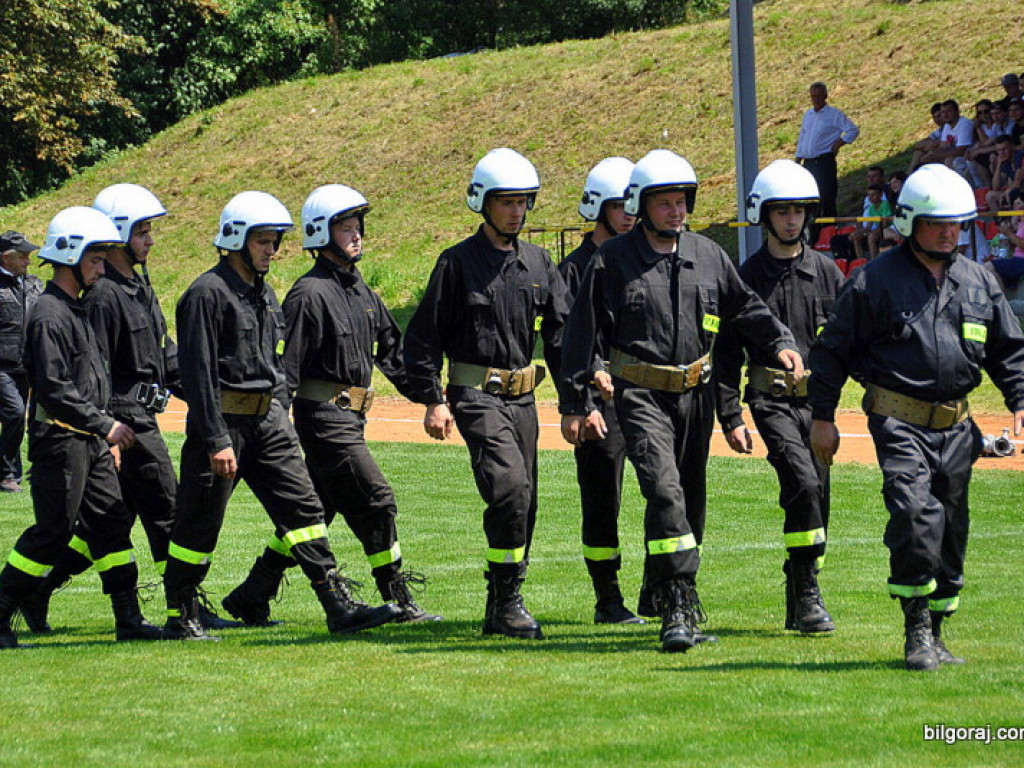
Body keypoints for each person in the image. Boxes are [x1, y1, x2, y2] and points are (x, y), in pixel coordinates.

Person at [558, 149, 804, 653]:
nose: (676, 211)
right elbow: (581, 335)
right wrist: (580, 398)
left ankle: (664, 594)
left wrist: (778, 341)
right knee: (664, 492)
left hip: (697, 398)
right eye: (665, 203)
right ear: (642, 205)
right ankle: (677, 604)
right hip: (641, 396)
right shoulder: (611, 261)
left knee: (690, 502)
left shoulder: (708, 255)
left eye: (682, 202)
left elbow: (746, 308)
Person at [809, 164, 1024, 671]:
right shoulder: (873, 282)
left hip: (958, 429)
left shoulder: (979, 280)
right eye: (937, 224)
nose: (949, 232)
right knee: (914, 516)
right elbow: (833, 350)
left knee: (951, 530)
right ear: (909, 224)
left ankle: (940, 627)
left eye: (956, 223)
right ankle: (916, 630)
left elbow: (1009, 352)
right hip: (898, 422)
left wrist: (1019, 398)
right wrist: (822, 417)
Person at [162, 190, 400, 641]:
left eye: (275, 241)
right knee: (200, 521)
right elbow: (197, 375)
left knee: (305, 507)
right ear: (235, 239)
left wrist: (278, 416)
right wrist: (216, 439)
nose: (272, 250)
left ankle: (336, 604)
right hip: (224, 423)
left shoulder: (264, 292)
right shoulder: (205, 294)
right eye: (263, 241)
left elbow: (274, 364)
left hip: (267, 421)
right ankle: (182, 613)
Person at [223, 185, 441, 625]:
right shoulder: (308, 295)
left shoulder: (362, 291)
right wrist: (277, 429)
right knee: (377, 499)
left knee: (315, 513)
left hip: (352, 419)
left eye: (358, 225)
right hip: (324, 423)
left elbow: (392, 354)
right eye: (346, 226)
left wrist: (433, 398)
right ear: (322, 233)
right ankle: (398, 597)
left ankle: (252, 594)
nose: (357, 234)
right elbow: (286, 369)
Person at [404, 148, 568, 640]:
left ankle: (502, 602)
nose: (517, 212)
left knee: (526, 502)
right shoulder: (456, 264)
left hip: (524, 401)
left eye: (524, 202)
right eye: (507, 202)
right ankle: (509, 601)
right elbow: (423, 338)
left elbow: (561, 335)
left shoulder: (539, 262)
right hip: (476, 396)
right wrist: (433, 399)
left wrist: (581, 395)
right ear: (482, 203)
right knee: (509, 489)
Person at [0, 207, 164, 648]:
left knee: (112, 525)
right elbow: (54, 389)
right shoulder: (50, 315)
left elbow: (95, 380)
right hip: (60, 440)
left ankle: (128, 617)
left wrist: (101, 431)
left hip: (88, 440)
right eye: (94, 260)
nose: (101, 268)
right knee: (53, 531)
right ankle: (2, 607)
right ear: (70, 257)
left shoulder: (78, 311)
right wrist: (106, 426)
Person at [715, 159, 844, 634]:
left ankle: (799, 585)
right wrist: (730, 415)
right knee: (803, 482)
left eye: (799, 211)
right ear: (763, 215)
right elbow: (726, 353)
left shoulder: (830, 274)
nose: (792, 219)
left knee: (818, 497)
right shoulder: (744, 278)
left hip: (819, 405)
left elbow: (852, 341)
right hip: (769, 400)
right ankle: (809, 594)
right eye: (782, 211)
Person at [558, 157, 643, 625]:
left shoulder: (643, 258)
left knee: (668, 494)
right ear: (598, 208)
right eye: (619, 205)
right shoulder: (573, 270)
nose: (629, 213)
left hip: (647, 396)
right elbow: (567, 343)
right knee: (602, 499)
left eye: (634, 203)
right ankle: (607, 598)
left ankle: (660, 592)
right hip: (600, 403)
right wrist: (585, 400)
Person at [0, 231, 42, 494]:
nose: (28, 260)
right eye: (22, 255)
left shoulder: (34, 284)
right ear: (6, 257)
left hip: (26, 365)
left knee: (24, 418)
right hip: (1, 366)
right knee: (15, 413)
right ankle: (6, 473)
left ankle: (15, 470)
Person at [795, 81, 859, 223]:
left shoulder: (833, 114)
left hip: (824, 161)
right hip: (809, 162)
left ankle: (829, 230)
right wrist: (798, 159)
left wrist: (839, 144)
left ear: (825, 96)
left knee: (826, 196)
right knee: (810, 198)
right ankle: (813, 230)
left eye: (818, 96)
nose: (816, 99)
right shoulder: (808, 115)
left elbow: (852, 130)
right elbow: (803, 136)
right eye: (813, 96)